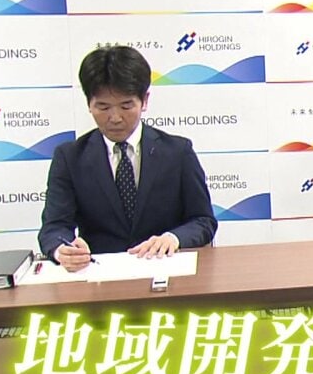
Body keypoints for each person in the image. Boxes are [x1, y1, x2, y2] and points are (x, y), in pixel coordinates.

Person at [38, 45, 217, 271]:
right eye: (103, 107)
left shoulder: (178, 152)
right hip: (100, 275)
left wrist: (173, 238)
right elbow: (53, 228)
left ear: (145, 100)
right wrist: (62, 250)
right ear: (88, 104)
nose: (115, 118)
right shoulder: (70, 157)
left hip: (165, 269)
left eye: (126, 106)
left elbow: (203, 221)